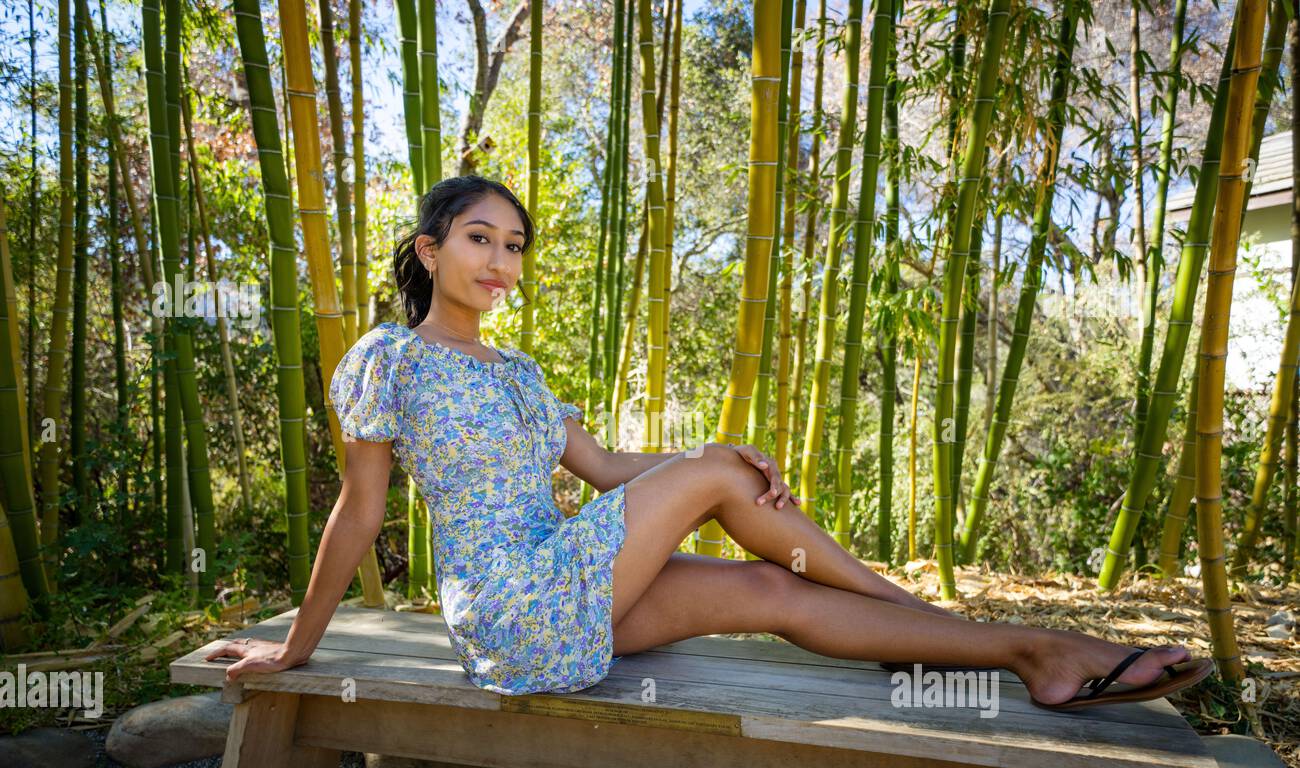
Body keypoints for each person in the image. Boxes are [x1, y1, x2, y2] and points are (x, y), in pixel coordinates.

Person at [208, 174, 1213, 711]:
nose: (499, 259)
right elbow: (360, 512)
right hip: (511, 607)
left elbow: (601, 470)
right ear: (430, 250)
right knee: (727, 479)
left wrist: (712, 451)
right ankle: (916, 616)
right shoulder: (388, 358)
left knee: (771, 594)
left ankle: (1035, 653)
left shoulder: (518, 372)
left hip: (573, 571)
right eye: (479, 237)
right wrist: (297, 646)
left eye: (514, 244)